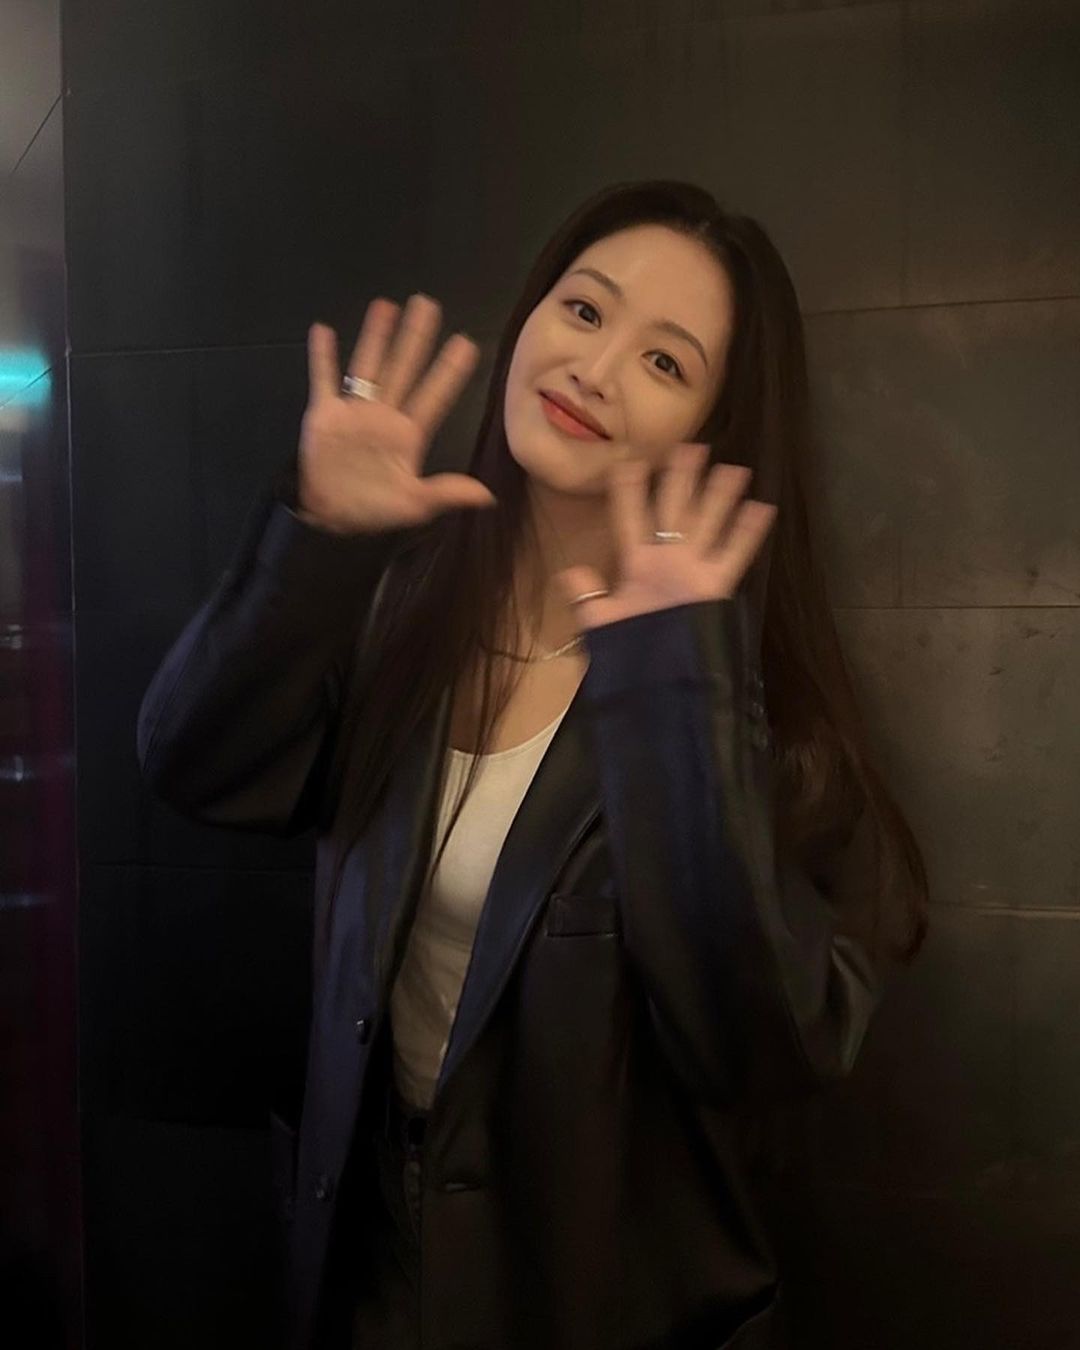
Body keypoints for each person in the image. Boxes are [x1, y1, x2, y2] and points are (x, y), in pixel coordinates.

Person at [137, 179, 928, 1350]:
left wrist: (674, 685)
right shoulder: (404, 611)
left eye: (665, 363)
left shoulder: (761, 720)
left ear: (711, 430)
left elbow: (759, 1048)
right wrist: (320, 543)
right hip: (370, 1271)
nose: (594, 371)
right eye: (585, 310)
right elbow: (197, 767)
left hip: (592, 1306)